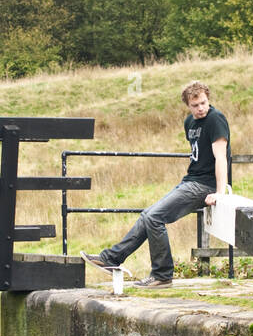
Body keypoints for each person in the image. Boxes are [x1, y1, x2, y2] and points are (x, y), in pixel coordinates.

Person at [81, 81, 231, 288]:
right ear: (188, 104)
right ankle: (112, 258)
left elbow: (221, 158)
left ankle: (162, 275)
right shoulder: (190, 123)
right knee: (147, 216)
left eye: (204, 103)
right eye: (195, 105)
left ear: (208, 99)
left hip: (205, 185)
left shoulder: (216, 119)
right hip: (190, 180)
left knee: (154, 217)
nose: (200, 108)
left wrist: (220, 192)